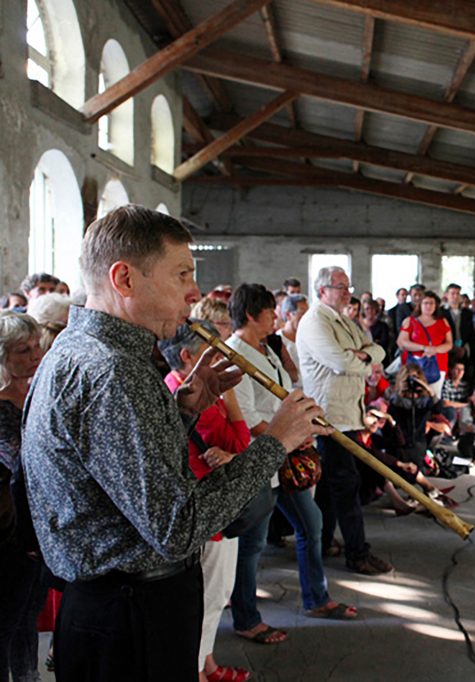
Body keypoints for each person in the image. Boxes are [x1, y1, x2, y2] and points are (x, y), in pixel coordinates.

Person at [21, 205, 327, 680]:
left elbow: (112, 471)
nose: (194, 292)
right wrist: (276, 443)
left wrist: (182, 412)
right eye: (182, 273)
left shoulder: (75, 347)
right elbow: (177, 528)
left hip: (105, 607)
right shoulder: (115, 372)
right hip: (132, 614)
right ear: (124, 279)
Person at [227, 283, 358, 643]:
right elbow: (250, 419)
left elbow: (286, 396)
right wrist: (292, 434)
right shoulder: (235, 355)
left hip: (286, 457)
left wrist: (306, 421)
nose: (277, 318)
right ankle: (246, 617)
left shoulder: (268, 351)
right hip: (261, 461)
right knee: (251, 545)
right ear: (252, 314)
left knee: (311, 523)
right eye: (271, 312)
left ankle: (316, 598)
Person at [160, 321, 254, 682]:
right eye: (210, 351)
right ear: (186, 356)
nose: (221, 357)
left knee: (217, 592)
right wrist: (230, 400)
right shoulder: (188, 396)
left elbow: (236, 443)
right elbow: (240, 443)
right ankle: (196, 669)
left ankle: (206, 662)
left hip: (213, 503)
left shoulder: (189, 390)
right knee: (208, 596)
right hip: (206, 506)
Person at [297, 266, 393, 576]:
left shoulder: (345, 322)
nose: (347, 292)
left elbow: (378, 349)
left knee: (330, 485)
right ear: (322, 290)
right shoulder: (314, 323)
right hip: (330, 417)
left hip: (349, 414)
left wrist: (363, 357)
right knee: (347, 484)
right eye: (341, 287)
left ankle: (323, 542)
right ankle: (357, 554)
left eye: (348, 286)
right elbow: (339, 361)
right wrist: (364, 361)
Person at [0, 313, 46, 682]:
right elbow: (16, 462)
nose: (34, 355)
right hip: (9, 528)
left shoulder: (37, 390)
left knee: (27, 615)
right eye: (23, 350)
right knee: (6, 622)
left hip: (36, 523)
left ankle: (28, 676)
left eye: (36, 347)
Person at [397, 290, 453, 398]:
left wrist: (435, 350)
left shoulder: (442, 321)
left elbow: (449, 344)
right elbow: (401, 342)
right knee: (412, 396)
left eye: (432, 303)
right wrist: (424, 348)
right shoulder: (410, 320)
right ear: (420, 305)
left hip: (437, 366)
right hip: (414, 365)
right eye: (426, 303)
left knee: (434, 397)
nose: (429, 306)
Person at [442, 283, 475, 385]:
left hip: (464, 350)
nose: (455, 296)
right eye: (452, 293)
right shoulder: (441, 313)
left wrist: (465, 348)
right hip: (447, 350)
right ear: (446, 295)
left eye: (457, 293)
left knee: (466, 380)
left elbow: (471, 334)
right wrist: (451, 347)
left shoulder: (468, 313)